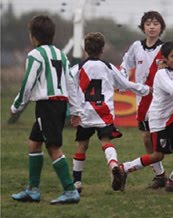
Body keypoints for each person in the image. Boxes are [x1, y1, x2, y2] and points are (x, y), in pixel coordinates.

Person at [120, 11, 173, 189]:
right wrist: (123, 78)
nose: (151, 26)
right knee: (147, 139)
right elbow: (126, 64)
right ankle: (159, 175)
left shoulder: (166, 50)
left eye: (155, 23)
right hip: (144, 99)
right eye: (148, 23)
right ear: (143, 27)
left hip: (162, 98)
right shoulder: (136, 46)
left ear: (161, 27)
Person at [11, 15, 81, 204]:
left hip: (47, 105)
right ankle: (33, 190)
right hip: (58, 104)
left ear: (33, 36)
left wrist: (17, 105)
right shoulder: (60, 54)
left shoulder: (35, 55)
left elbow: (28, 83)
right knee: (34, 143)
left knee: (53, 147)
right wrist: (74, 109)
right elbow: (71, 83)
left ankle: (70, 190)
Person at [71, 32, 150, 193]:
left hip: (85, 113)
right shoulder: (108, 67)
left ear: (85, 49)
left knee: (82, 145)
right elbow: (126, 83)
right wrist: (145, 89)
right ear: (102, 50)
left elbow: (68, 86)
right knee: (106, 141)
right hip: (104, 112)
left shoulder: (78, 68)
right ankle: (114, 165)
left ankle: (77, 183)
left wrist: (73, 109)